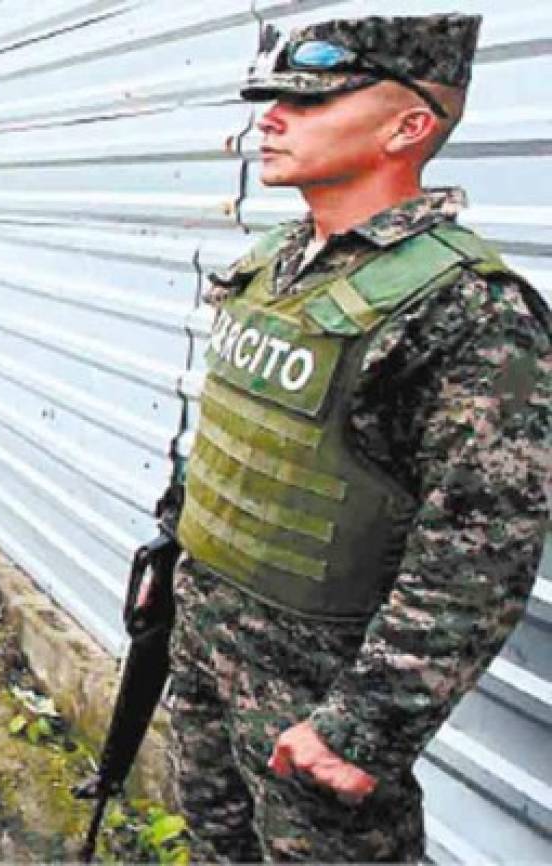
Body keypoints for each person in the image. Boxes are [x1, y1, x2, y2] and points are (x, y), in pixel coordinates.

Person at [164, 14, 551, 862]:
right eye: (271, 101)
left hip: (315, 704)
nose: (270, 118)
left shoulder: (466, 310)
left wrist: (363, 726)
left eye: (306, 103)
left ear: (407, 127)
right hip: (205, 653)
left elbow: (478, 556)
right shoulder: (276, 263)